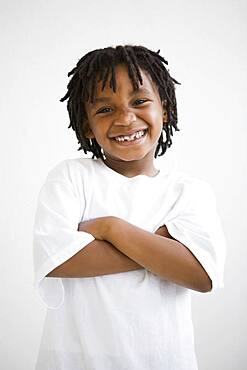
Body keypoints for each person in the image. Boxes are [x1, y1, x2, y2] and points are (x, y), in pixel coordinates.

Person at [33, 45, 226, 370]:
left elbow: (201, 274)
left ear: (164, 109)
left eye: (139, 101)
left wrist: (112, 228)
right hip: (75, 361)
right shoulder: (70, 177)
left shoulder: (188, 192)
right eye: (105, 109)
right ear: (85, 124)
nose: (125, 118)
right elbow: (59, 260)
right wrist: (162, 249)